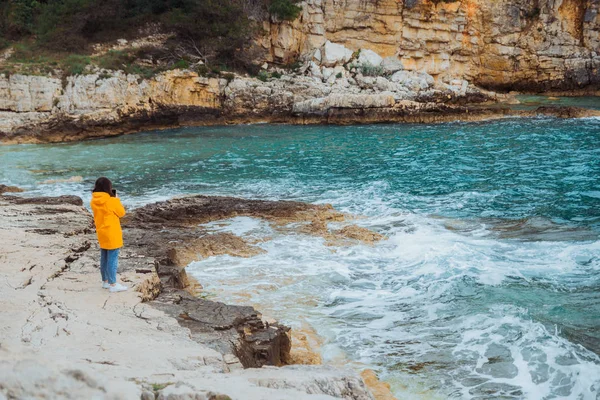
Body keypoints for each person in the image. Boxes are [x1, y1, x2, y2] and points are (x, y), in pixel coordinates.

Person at [90, 177, 127, 293]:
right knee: (112, 258)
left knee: (104, 257)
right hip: (112, 232)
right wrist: (116, 199)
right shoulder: (111, 201)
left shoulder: (93, 201)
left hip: (101, 232)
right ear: (108, 188)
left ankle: (105, 281)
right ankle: (113, 284)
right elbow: (121, 213)